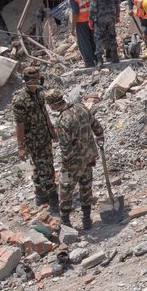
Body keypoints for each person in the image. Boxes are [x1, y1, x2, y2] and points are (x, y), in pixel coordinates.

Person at [46, 90, 104, 231]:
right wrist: (100, 136)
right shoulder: (81, 107)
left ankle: (65, 222)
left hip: (73, 162)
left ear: (54, 105)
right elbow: (95, 125)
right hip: (88, 156)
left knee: (65, 188)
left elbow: (65, 147)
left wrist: (66, 166)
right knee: (86, 187)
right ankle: (87, 220)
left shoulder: (62, 121)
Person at [12, 66, 58, 214]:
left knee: (40, 167)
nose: (40, 81)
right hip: (33, 140)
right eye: (37, 79)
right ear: (31, 80)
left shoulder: (38, 93)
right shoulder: (20, 100)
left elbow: (44, 114)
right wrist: (21, 146)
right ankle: (54, 201)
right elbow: (19, 125)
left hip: (45, 135)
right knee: (47, 168)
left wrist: (52, 130)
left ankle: (40, 195)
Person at [89, 0, 121, 66]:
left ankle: (100, 61)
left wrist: (91, 18)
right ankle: (115, 57)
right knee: (112, 36)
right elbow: (117, 4)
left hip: (100, 18)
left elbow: (93, 5)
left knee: (98, 37)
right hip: (111, 17)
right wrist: (117, 16)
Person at [63, 0, 96, 68]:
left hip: (82, 22)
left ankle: (89, 63)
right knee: (93, 40)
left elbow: (75, 13)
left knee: (84, 42)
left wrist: (72, 28)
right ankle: (97, 59)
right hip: (94, 19)